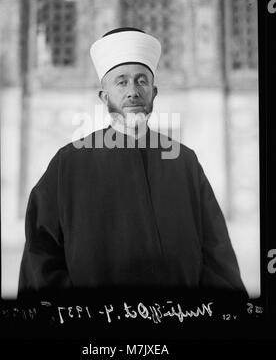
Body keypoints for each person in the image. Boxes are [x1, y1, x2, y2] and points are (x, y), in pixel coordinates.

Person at [18, 27, 247, 299]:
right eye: (121, 82)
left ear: (154, 93)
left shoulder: (184, 161)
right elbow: (40, 256)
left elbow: (217, 254)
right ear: (104, 97)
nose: (133, 92)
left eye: (141, 81)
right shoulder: (68, 163)